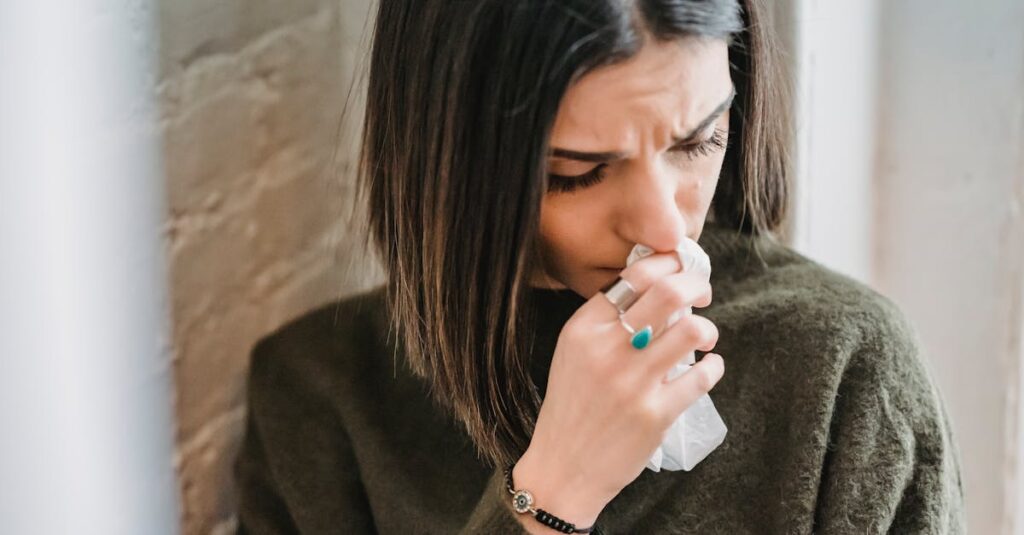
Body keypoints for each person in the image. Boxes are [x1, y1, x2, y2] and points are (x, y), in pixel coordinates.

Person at [233, 0, 966, 533]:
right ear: (451, 162)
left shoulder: (840, 365)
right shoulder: (323, 396)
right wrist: (552, 493)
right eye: (577, 173)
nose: (664, 223)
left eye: (697, 141)